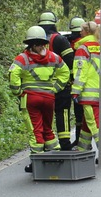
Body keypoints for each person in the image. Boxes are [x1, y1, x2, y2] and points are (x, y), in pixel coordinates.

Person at [9, 25, 70, 170]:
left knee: (36, 130)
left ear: (30, 43)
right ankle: (55, 156)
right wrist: (55, 88)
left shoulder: (22, 58)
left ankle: (37, 163)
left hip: (31, 100)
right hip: (49, 99)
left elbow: (13, 75)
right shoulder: (54, 57)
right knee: (48, 128)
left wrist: (18, 91)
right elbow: (65, 72)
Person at [38, 11, 75, 150]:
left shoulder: (35, 42)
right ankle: (64, 143)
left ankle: (44, 143)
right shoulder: (59, 40)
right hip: (60, 84)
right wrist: (71, 79)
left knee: (42, 115)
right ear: (54, 24)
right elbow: (70, 61)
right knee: (62, 112)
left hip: (41, 85)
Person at [70, 20, 101, 152]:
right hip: (100, 90)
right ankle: (82, 149)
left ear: (87, 32)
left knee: (94, 123)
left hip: (88, 93)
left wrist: (75, 91)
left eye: (82, 30)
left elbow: (80, 72)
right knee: (87, 123)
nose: (80, 32)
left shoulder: (83, 48)